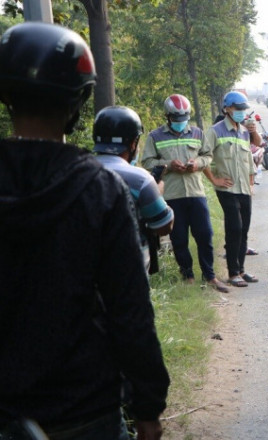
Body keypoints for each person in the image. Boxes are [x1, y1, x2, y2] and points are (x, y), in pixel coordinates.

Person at [0, 22, 169, 439]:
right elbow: (130, 310)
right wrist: (147, 405)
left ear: (5, 96)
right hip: (84, 408)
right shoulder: (100, 189)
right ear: (78, 104)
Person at [142, 94, 230, 293]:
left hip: (196, 193)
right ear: (168, 116)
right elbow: (147, 162)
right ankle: (187, 275)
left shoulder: (197, 133)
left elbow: (207, 156)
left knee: (205, 234)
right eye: (177, 119)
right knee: (179, 238)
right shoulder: (155, 136)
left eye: (184, 119)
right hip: (172, 196)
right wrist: (167, 165)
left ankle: (210, 276)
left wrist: (196, 163)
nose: (181, 123)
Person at [93, 106, 175, 273]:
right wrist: (157, 193)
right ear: (133, 143)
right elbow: (164, 226)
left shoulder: (74, 171)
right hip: (128, 275)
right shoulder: (141, 180)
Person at [203, 91, 261, 288]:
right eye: (237, 109)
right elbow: (204, 158)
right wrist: (215, 179)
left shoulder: (245, 131)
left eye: (243, 109)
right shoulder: (215, 131)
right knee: (234, 227)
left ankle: (242, 270)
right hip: (227, 189)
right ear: (227, 109)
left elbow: (253, 153)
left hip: (244, 187)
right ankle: (232, 272)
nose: (241, 112)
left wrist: (251, 184)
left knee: (244, 229)